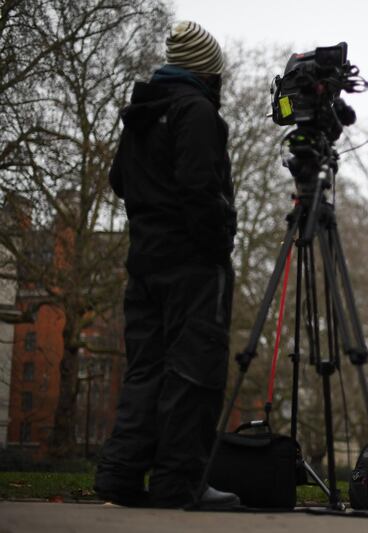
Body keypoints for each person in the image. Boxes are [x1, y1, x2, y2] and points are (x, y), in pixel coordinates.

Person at [94, 21, 239, 509]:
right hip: (192, 265)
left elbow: (119, 180)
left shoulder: (143, 111)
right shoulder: (195, 111)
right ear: (206, 69)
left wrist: (153, 207)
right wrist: (217, 243)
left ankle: (120, 476)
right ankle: (179, 483)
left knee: (145, 370)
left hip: (146, 262)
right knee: (193, 371)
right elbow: (200, 189)